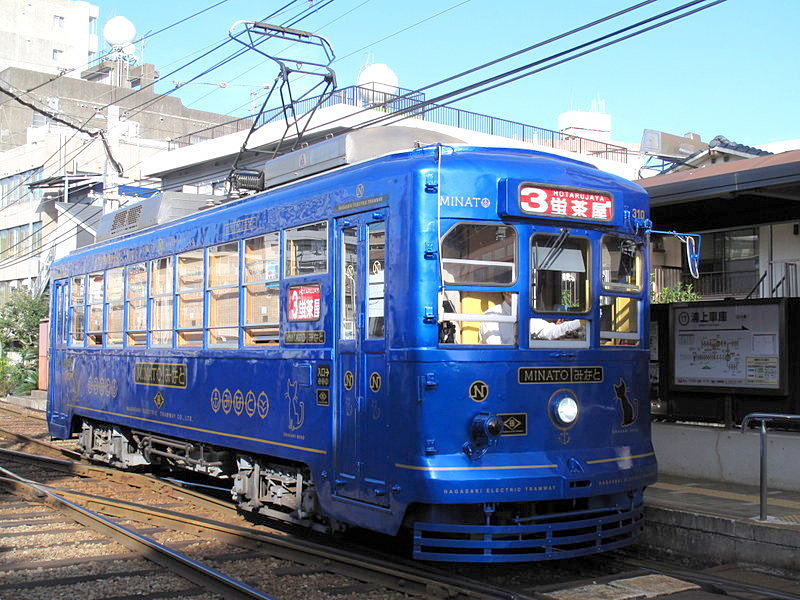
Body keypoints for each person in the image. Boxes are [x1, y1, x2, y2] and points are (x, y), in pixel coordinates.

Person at [479, 292, 583, 345]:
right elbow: (496, 350)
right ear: (506, 293)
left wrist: (579, 323)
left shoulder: (524, 314)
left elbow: (550, 331)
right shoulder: (492, 315)